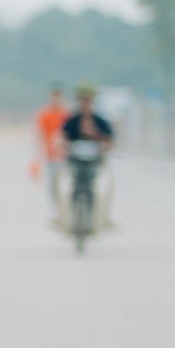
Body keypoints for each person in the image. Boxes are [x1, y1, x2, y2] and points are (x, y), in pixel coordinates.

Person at [61, 82, 116, 235]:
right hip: (75, 161)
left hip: (94, 162)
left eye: (88, 100)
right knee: (67, 186)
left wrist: (95, 135)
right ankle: (67, 217)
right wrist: (64, 146)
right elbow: (63, 137)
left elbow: (109, 141)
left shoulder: (100, 121)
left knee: (103, 186)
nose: (85, 104)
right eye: (82, 100)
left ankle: (102, 217)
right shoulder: (72, 121)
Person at [37, 84, 71, 224]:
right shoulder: (45, 113)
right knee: (52, 184)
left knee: (66, 184)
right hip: (51, 155)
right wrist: (37, 157)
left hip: (66, 156)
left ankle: (66, 209)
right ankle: (55, 211)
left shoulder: (66, 113)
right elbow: (39, 134)